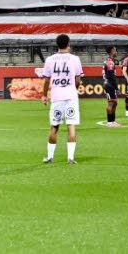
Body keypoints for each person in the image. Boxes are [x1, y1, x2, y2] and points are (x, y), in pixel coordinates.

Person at [41, 34, 84, 164]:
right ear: (68, 44)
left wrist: (44, 95)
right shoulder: (75, 59)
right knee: (71, 126)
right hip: (71, 96)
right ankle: (70, 158)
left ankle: (50, 157)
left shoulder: (50, 59)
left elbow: (46, 81)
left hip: (57, 97)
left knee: (54, 127)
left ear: (57, 44)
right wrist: (74, 89)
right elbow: (78, 80)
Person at [101, 45, 121, 127]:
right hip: (110, 84)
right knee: (111, 103)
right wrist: (116, 87)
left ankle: (113, 121)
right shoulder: (110, 62)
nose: (116, 52)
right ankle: (109, 122)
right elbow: (111, 76)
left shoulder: (109, 61)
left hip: (109, 84)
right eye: (115, 50)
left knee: (115, 103)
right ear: (112, 51)